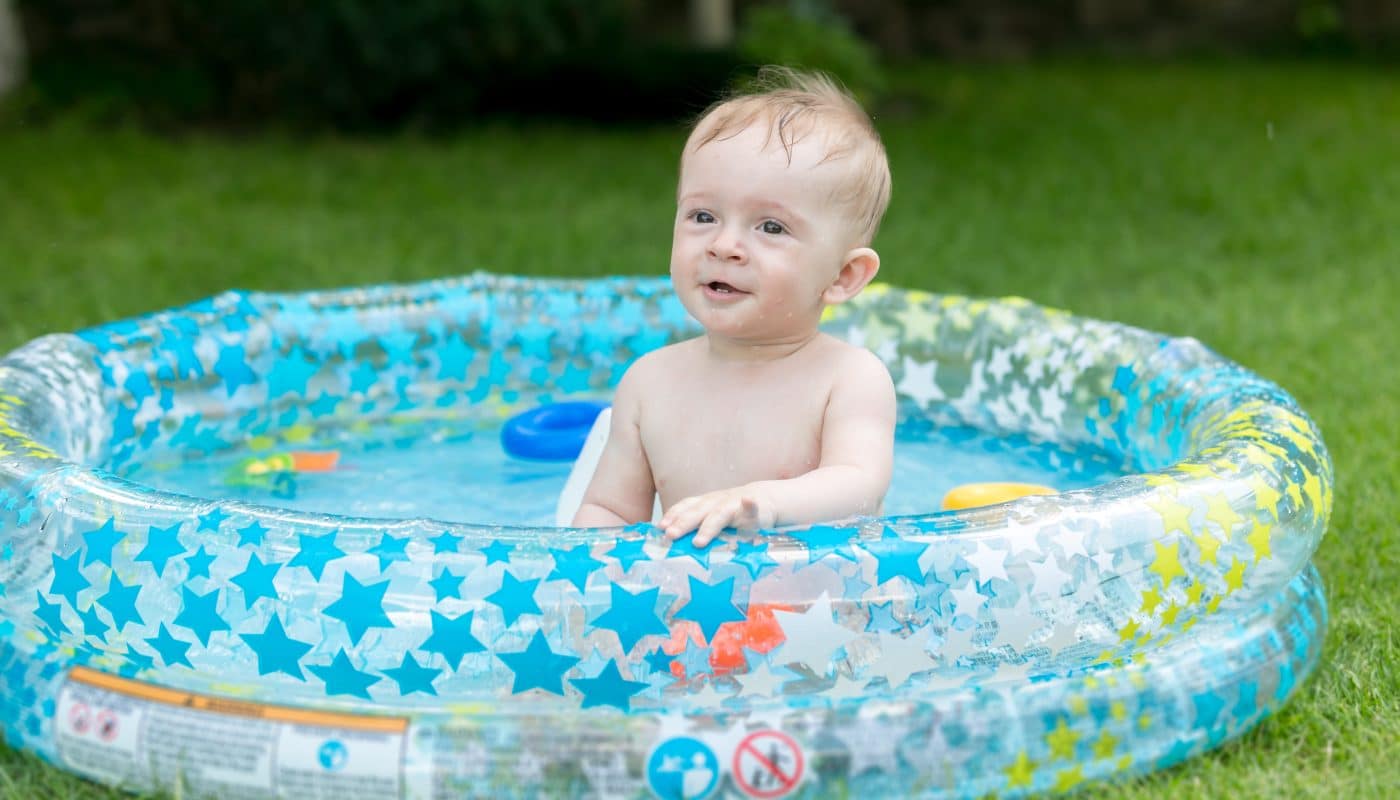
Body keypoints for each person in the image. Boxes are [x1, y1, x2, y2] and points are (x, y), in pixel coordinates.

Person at [571, 67, 895, 545]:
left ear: (843, 277)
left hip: (815, 607)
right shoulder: (649, 382)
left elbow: (859, 485)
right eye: (703, 216)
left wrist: (765, 501)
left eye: (770, 228)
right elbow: (611, 508)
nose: (724, 245)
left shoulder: (849, 379)